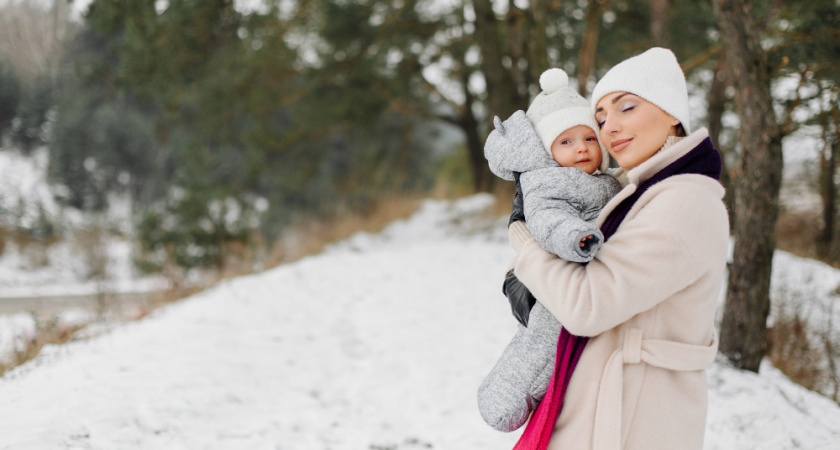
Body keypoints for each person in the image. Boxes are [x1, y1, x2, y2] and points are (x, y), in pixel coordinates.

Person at [506, 47, 729, 450]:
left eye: (626, 107)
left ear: (673, 112)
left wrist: (528, 251)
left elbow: (587, 305)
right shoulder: (643, 191)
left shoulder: (682, 203)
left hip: (631, 419)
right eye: (602, 116)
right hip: (609, 402)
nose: (610, 127)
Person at [478, 68, 621, 433]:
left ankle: (540, 395)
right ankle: (507, 394)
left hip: (576, 276)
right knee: (542, 340)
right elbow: (549, 220)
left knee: (557, 347)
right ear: (548, 149)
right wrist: (577, 238)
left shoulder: (604, 179)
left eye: (589, 138)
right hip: (557, 268)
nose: (582, 149)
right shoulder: (546, 182)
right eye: (566, 142)